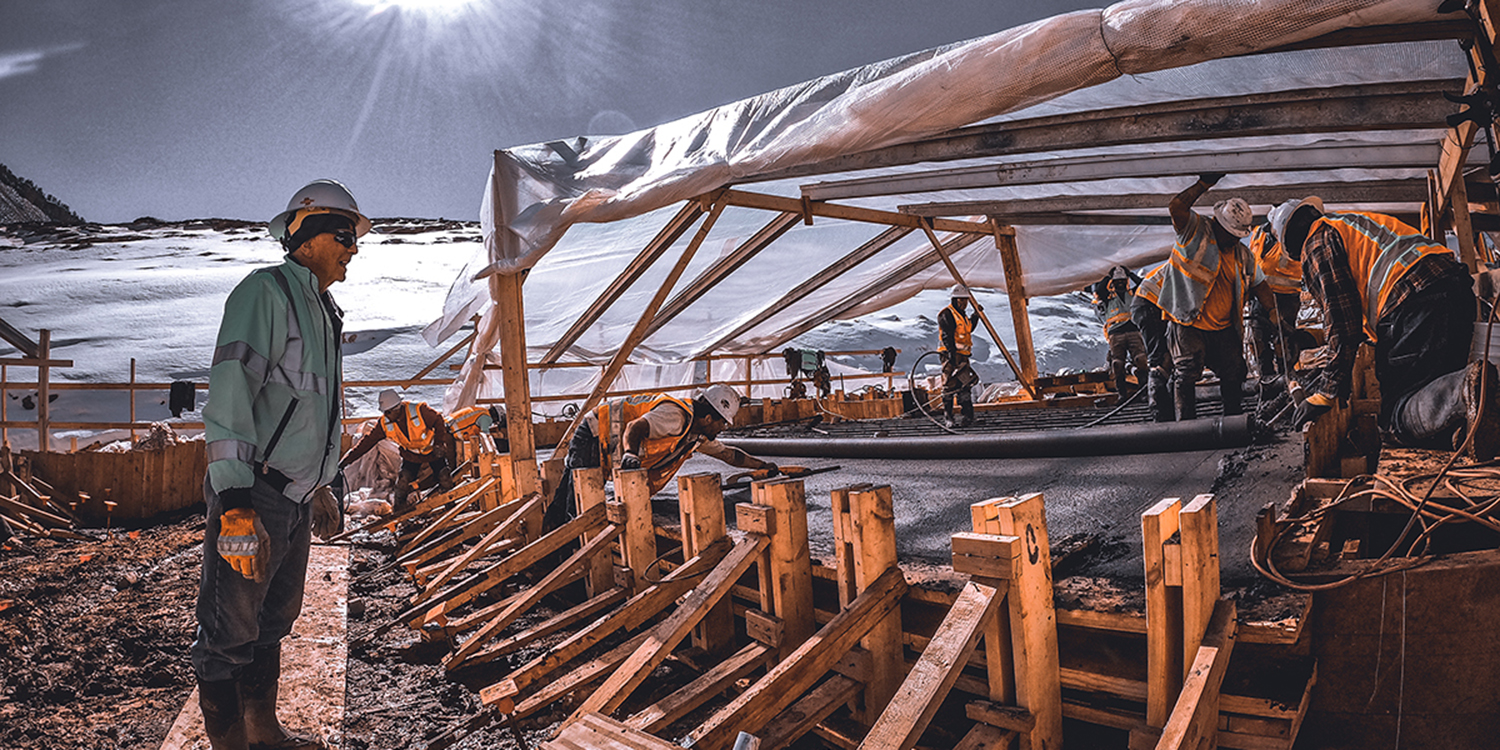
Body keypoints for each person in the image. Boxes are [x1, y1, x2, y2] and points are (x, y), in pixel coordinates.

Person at [194, 179, 370, 750]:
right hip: (253, 496)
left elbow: (312, 409)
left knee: (273, 621)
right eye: (345, 234)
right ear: (308, 233)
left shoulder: (325, 309)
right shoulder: (264, 293)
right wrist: (237, 503)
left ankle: (263, 731)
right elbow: (229, 400)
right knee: (229, 631)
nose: (353, 247)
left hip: (293, 499)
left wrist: (321, 485)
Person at [1269, 196, 1497, 459]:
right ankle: (1462, 429)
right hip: (1452, 290)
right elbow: (1356, 317)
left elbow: (1344, 322)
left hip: (1414, 303)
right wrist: (1310, 337)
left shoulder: (1317, 242)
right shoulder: (1348, 224)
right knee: (1432, 391)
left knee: (1395, 416)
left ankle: (1461, 388)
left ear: (1290, 243)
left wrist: (1326, 393)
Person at [549, 384, 778, 529]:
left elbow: (729, 455)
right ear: (709, 418)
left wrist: (763, 465)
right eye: (722, 423)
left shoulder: (694, 435)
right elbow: (635, 428)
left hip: (605, 441)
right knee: (576, 502)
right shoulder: (676, 416)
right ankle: (559, 558)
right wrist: (630, 453)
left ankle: (554, 549)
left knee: (579, 499)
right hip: (595, 431)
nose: (722, 429)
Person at [1158, 174, 1264, 419]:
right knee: (1187, 372)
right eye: (1232, 234)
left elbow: (1260, 285)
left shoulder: (1242, 254)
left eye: (1240, 235)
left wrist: (1275, 315)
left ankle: (1233, 422)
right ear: (1219, 224)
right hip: (1189, 321)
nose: (1236, 239)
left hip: (1223, 328)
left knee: (1234, 371)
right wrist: (1203, 185)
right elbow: (1175, 206)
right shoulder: (1194, 230)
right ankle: (1187, 428)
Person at [339, 389, 458, 507]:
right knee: (403, 482)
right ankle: (399, 511)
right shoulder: (385, 423)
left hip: (431, 452)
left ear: (397, 408)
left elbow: (438, 420)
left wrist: (439, 443)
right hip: (411, 455)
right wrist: (347, 460)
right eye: (384, 412)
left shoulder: (419, 410)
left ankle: (451, 506)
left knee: (444, 476)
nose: (386, 416)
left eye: (388, 412)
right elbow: (367, 442)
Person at [1246, 223, 1305, 390]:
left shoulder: (1291, 239)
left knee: (1282, 339)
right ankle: (1267, 379)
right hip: (1259, 295)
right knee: (1258, 338)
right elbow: (1253, 258)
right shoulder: (1259, 232)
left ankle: (1286, 377)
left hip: (1285, 297)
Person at [1091, 266, 1148, 397]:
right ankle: (1122, 394)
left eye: (1123, 280)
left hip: (1133, 331)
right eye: (1117, 281)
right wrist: (1109, 275)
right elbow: (1099, 289)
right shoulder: (1107, 298)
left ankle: (1144, 391)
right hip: (1116, 334)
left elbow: (1143, 285)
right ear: (1113, 282)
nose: (1120, 283)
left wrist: (1130, 273)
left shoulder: (1132, 294)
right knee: (1117, 364)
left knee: (1141, 360)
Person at [1130, 261, 1176, 422]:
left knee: (1167, 354)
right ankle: (1159, 411)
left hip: (1147, 303)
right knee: (1160, 358)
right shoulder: (1193, 264)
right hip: (1149, 304)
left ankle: (1166, 407)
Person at [938, 284, 981, 428]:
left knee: (964, 384)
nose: (964, 303)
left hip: (963, 356)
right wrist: (951, 355)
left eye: (966, 300)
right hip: (950, 355)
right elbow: (947, 335)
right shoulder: (946, 314)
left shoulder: (963, 316)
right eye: (961, 300)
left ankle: (968, 417)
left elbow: (968, 329)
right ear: (954, 299)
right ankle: (949, 418)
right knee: (949, 386)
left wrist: (975, 316)